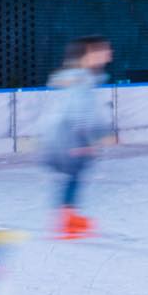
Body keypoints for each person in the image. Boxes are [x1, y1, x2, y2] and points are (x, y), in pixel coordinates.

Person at [45, 36, 111, 239]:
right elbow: (78, 109)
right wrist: (83, 138)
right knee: (74, 175)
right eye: (103, 50)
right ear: (89, 53)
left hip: (68, 133)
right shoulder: (81, 77)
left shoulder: (82, 76)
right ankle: (67, 221)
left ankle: (68, 218)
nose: (109, 54)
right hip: (71, 134)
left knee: (74, 175)